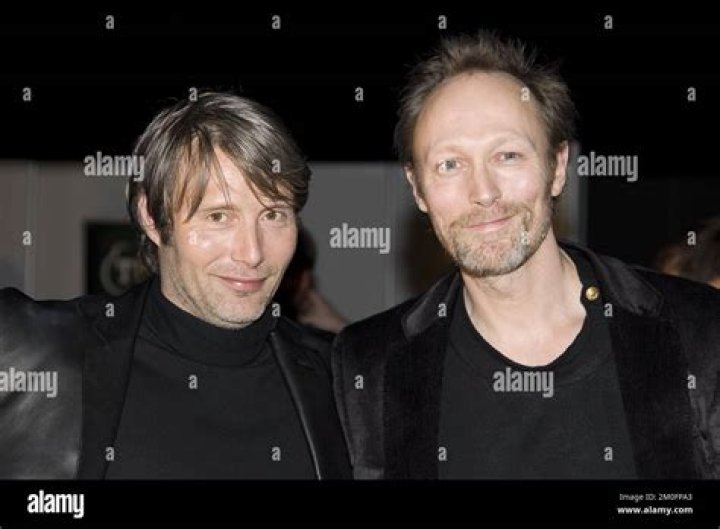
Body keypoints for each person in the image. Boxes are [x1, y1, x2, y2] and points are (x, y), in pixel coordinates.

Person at [332, 31, 720, 479]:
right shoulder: (370, 363)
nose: (483, 192)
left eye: (508, 155)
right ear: (417, 188)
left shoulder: (699, 330)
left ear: (558, 167)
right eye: (450, 164)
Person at [0, 92, 350, 479]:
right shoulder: (31, 351)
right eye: (219, 217)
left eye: (273, 214)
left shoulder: (341, 382)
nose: (252, 253)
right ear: (151, 216)